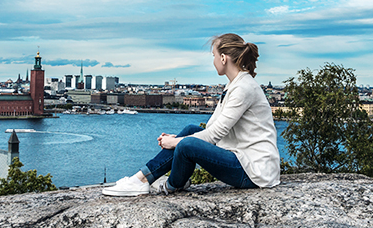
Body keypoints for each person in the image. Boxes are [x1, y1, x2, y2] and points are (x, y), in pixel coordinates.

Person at [102, 33, 280, 196]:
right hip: (246, 161)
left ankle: (168, 185)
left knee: (187, 145)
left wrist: (176, 142)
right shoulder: (235, 85)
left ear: (224, 58)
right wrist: (178, 139)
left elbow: (213, 136)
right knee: (189, 131)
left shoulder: (243, 88)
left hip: (254, 172)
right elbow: (211, 128)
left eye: (214, 56)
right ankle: (142, 178)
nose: (214, 61)